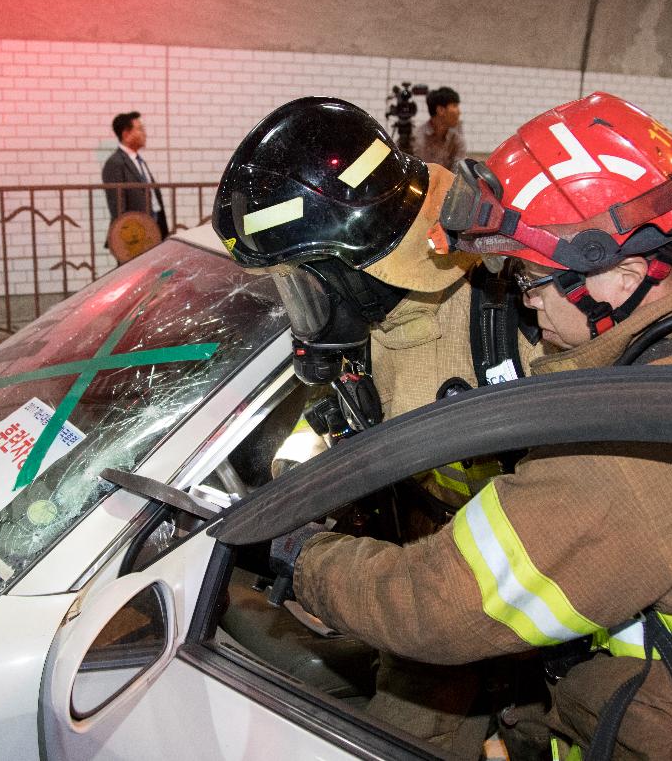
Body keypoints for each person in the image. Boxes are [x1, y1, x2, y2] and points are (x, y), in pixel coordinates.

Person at [274, 93, 672, 759]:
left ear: (620, 276)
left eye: (535, 277)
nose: (526, 301)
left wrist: (302, 556)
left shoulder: (641, 440)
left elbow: (442, 603)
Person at [212, 96, 532, 757]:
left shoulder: (507, 316)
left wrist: (313, 559)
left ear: (356, 262)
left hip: (506, 609)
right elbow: (339, 430)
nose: (302, 302)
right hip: (424, 596)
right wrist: (290, 492)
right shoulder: (372, 327)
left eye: (305, 280)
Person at [102, 111, 169, 240]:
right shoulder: (115, 163)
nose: (145, 134)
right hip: (134, 234)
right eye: (140, 129)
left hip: (153, 227)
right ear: (126, 134)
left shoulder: (138, 160)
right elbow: (118, 206)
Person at [411, 86, 466, 168]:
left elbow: (458, 172)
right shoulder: (415, 137)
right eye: (455, 106)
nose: (459, 112)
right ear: (441, 110)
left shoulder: (456, 138)